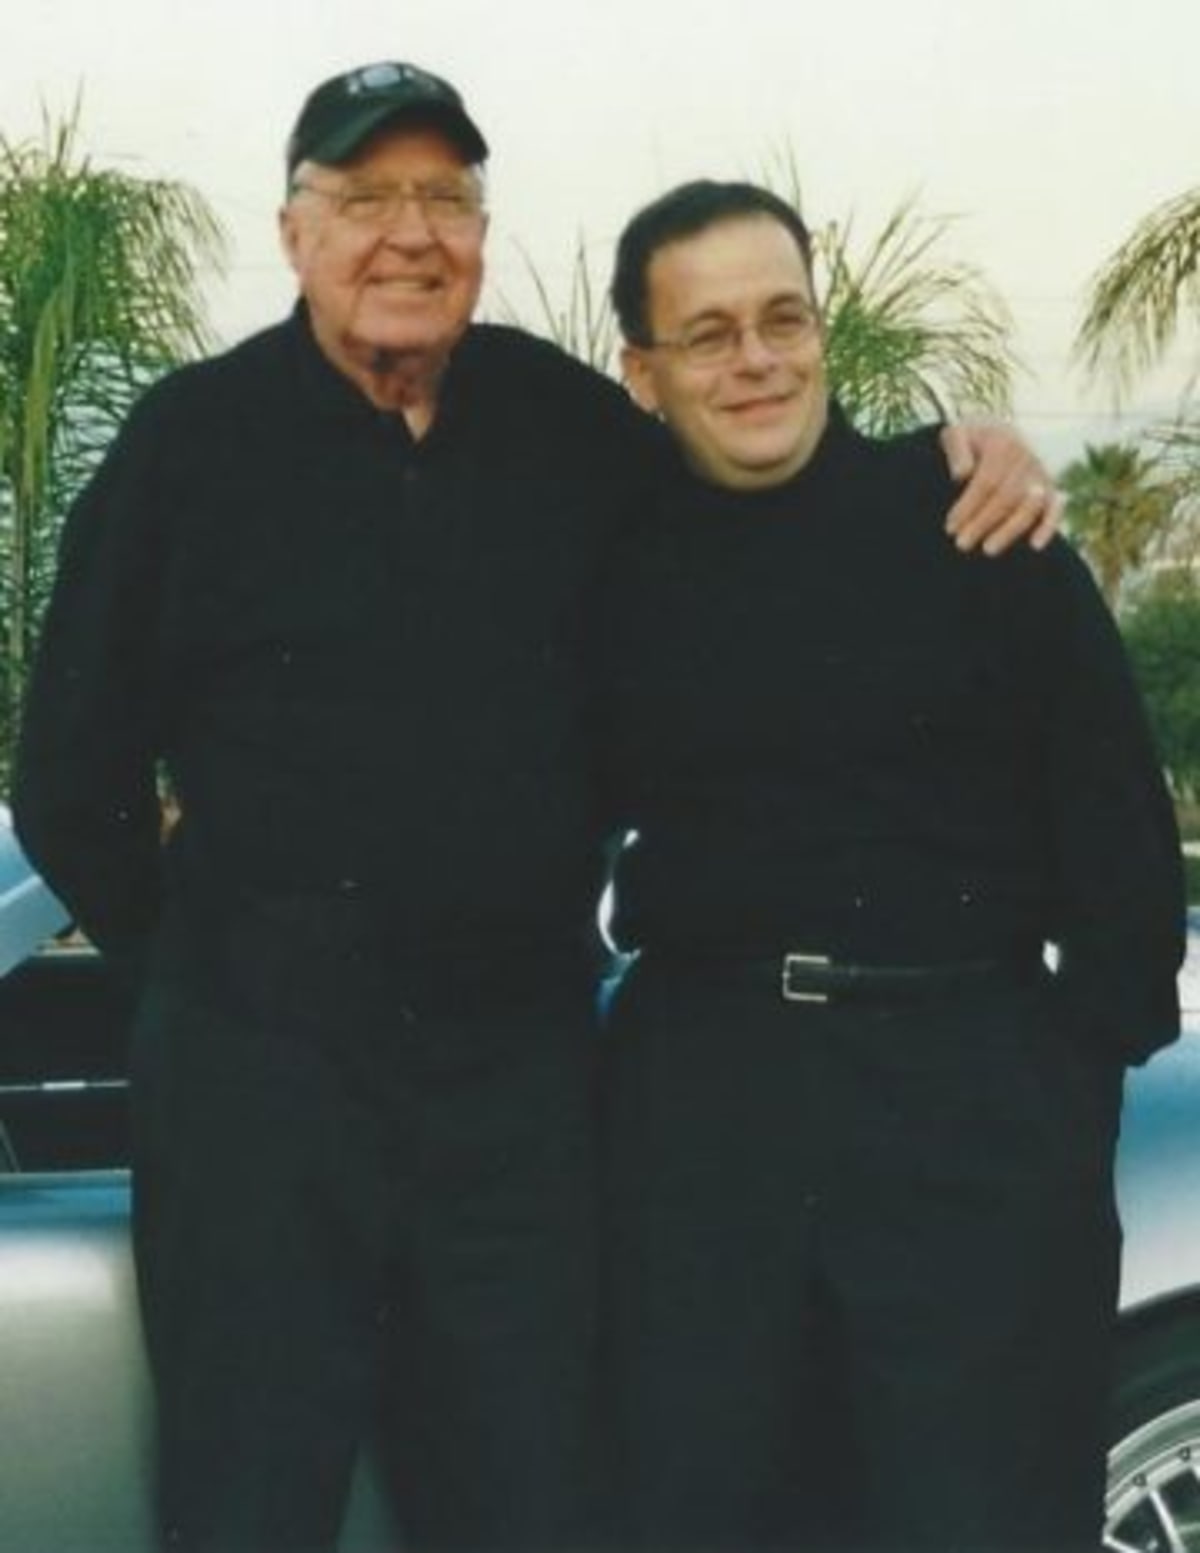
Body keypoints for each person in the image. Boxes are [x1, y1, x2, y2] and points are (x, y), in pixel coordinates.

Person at [12, 61, 1055, 1553]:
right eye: (367, 197)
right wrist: (210, 960)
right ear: (295, 230)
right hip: (263, 1094)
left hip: (519, 1092)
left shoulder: (565, 425)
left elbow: (758, 484)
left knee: (532, 1498)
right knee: (252, 1496)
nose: (409, 234)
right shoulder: (189, 445)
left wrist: (955, 457)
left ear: (483, 235)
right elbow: (67, 772)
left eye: (446, 198)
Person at [596, 180, 1187, 1553]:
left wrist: (1059, 1095)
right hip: (705, 1107)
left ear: (822, 331)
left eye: (783, 319)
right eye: (710, 333)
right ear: (644, 371)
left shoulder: (975, 518)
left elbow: (1117, 834)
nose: (756, 359)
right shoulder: (606, 557)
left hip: (965, 1101)